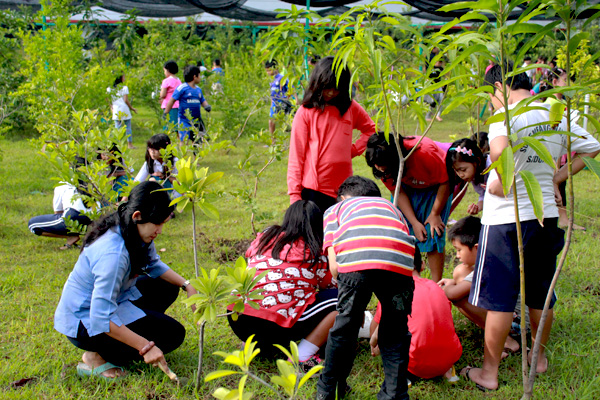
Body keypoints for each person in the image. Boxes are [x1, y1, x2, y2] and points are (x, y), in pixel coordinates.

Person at [461, 63, 600, 391]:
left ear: (498, 89)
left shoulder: (505, 115)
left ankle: (489, 373)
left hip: (505, 220)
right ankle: (538, 359)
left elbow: (498, 154)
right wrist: (555, 177)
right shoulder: (554, 111)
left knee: (499, 301)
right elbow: (592, 148)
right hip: (545, 215)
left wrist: (502, 180)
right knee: (540, 295)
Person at [54, 181, 196, 379]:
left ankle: (131, 332)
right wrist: (145, 347)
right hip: (85, 322)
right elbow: (100, 317)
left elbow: (153, 263)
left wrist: (187, 285)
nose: (160, 230)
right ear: (137, 216)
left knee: (167, 286)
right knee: (172, 335)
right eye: (157, 223)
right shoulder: (113, 254)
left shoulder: (131, 228)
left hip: (113, 302)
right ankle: (95, 357)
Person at [316, 176, 415, 400]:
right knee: (395, 333)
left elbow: (334, 266)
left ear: (342, 197)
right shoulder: (391, 207)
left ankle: (328, 390)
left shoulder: (335, 209)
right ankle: (395, 394)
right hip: (398, 267)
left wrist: (353, 306)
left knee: (344, 330)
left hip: (355, 266)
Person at [227, 200, 337, 369]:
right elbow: (329, 285)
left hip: (237, 317)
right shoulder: (315, 251)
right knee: (342, 300)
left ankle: (251, 344)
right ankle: (302, 357)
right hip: (273, 326)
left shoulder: (265, 237)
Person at [288, 56, 376, 213]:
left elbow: (370, 129)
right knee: (316, 235)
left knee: (342, 234)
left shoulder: (350, 108)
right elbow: (296, 157)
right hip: (314, 192)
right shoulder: (306, 112)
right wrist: (295, 196)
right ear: (317, 84)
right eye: (327, 87)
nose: (331, 92)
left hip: (345, 191)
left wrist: (354, 150)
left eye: (336, 88)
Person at [365, 132, 451, 282]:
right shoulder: (384, 166)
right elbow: (397, 191)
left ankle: (437, 285)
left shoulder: (424, 152)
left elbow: (446, 180)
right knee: (403, 233)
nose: (379, 169)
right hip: (407, 188)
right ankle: (408, 282)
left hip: (435, 188)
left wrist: (435, 213)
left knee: (433, 231)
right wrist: (414, 222)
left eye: (382, 165)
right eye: (376, 166)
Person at [369, 249, 462, 382]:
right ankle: (446, 371)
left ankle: (403, 374)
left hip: (415, 362)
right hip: (449, 357)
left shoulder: (393, 292)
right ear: (423, 265)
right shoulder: (437, 287)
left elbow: (375, 331)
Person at [437, 216, 520, 359]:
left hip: (515, 322)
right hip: (519, 315)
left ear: (477, 248)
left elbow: (453, 294)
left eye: (459, 250)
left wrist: (442, 288)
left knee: (460, 298)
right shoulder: (497, 257)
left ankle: (506, 340)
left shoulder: (485, 268)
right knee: (460, 271)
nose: (457, 255)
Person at [28, 179, 94, 250]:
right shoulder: (95, 181)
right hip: (96, 221)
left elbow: (58, 213)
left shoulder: (63, 184)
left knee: (32, 225)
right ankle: (95, 235)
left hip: (73, 217)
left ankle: (71, 236)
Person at [164, 65, 212, 145]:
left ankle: (195, 157)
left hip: (196, 120)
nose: (200, 77)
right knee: (183, 140)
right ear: (195, 77)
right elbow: (172, 100)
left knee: (197, 141)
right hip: (184, 120)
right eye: (199, 75)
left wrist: (206, 106)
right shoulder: (182, 88)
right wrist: (166, 112)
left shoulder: (198, 90)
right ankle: (183, 156)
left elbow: (202, 100)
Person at [445, 138, 490, 215]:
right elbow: (485, 196)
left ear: (477, 161)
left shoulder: (492, 167)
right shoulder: (475, 176)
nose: (461, 175)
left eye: (463, 169)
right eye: (456, 171)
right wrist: (478, 207)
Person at [134, 134, 180, 198]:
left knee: (154, 180)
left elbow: (181, 183)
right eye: (150, 148)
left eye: (156, 149)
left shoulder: (175, 162)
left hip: (174, 193)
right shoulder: (150, 162)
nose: (152, 152)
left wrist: (165, 176)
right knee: (152, 180)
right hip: (157, 194)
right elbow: (137, 181)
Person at [108, 75, 137, 149]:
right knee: (128, 127)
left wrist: (111, 106)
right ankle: (129, 144)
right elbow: (125, 100)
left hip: (116, 109)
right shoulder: (124, 88)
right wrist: (131, 108)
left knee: (117, 128)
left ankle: (118, 145)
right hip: (124, 109)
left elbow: (107, 99)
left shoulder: (109, 89)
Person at [266, 60, 291, 135]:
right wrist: (271, 104)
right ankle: (273, 141)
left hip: (282, 103)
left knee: (288, 123)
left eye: (269, 70)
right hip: (274, 104)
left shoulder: (282, 78)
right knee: (271, 121)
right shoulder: (272, 80)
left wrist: (288, 99)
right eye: (267, 71)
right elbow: (272, 94)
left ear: (275, 68)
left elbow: (290, 88)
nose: (268, 72)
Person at [160, 60, 182, 131]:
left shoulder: (166, 81)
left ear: (168, 70)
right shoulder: (179, 81)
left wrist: (160, 96)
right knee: (177, 126)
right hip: (178, 105)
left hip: (168, 106)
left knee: (168, 126)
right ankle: (179, 140)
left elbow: (163, 94)